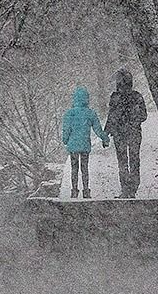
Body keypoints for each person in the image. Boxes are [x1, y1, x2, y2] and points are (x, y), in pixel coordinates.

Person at [104, 68, 147, 198]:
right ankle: (133, 189)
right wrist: (134, 121)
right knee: (134, 160)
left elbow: (111, 116)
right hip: (133, 132)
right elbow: (143, 115)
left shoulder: (115, 97)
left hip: (119, 133)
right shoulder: (137, 96)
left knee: (122, 161)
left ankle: (125, 189)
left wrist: (106, 133)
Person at [61, 86, 109, 199]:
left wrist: (65, 140)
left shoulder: (69, 113)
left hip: (73, 146)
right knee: (84, 168)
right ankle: (86, 190)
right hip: (85, 145)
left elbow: (66, 129)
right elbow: (98, 129)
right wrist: (105, 138)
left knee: (74, 169)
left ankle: (74, 190)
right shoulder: (90, 113)